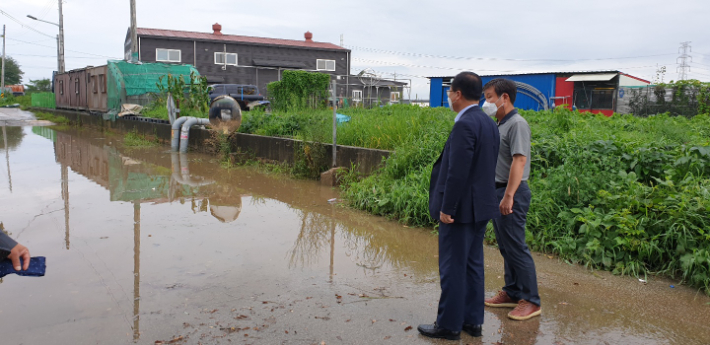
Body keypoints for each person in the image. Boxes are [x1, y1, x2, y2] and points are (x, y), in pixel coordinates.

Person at [417, 72, 500, 340]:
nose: (449, 97)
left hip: (461, 210)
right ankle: (472, 322)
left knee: (453, 266)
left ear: (458, 94)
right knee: (473, 265)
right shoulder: (488, 123)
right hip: (480, 208)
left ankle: (449, 325)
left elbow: (457, 171)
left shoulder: (465, 124)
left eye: (450, 92)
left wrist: (447, 208)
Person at [481, 79, 541, 320]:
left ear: (504, 98)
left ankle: (532, 300)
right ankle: (513, 292)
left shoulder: (517, 124)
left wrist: (509, 196)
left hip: (511, 192)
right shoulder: (499, 124)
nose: (486, 102)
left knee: (516, 247)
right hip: (497, 190)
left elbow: (519, 161)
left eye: (489, 97)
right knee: (506, 247)